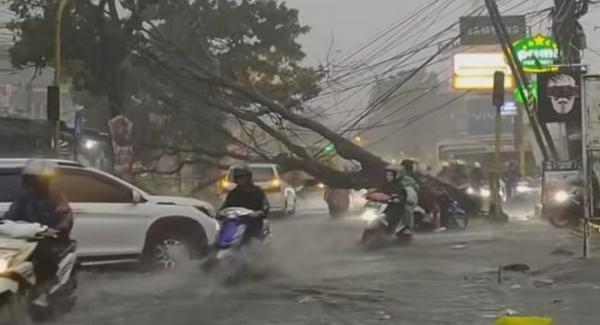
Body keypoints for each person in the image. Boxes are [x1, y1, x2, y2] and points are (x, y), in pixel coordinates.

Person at [2, 159, 73, 306]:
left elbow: (66, 216)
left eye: (35, 180)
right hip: (26, 238)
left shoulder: (56, 197)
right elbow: (11, 215)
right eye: (30, 180)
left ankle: (43, 289)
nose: (33, 183)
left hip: (50, 239)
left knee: (43, 253)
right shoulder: (24, 198)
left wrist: (57, 229)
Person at [221, 165, 270, 243]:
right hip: (236, 222)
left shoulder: (257, 191)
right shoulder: (233, 193)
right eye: (238, 177)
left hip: (253, 221)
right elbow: (225, 206)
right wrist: (220, 213)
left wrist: (259, 212)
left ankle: (255, 250)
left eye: (242, 177)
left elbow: (265, 205)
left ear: (248, 177)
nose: (240, 179)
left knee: (254, 240)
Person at [373, 166, 407, 232]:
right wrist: (370, 195)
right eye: (387, 175)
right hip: (381, 207)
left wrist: (398, 198)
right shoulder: (383, 185)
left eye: (391, 175)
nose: (388, 177)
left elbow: (402, 196)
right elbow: (377, 192)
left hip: (394, 207)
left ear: (395, 176)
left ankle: (390, 229)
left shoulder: (399, 186)